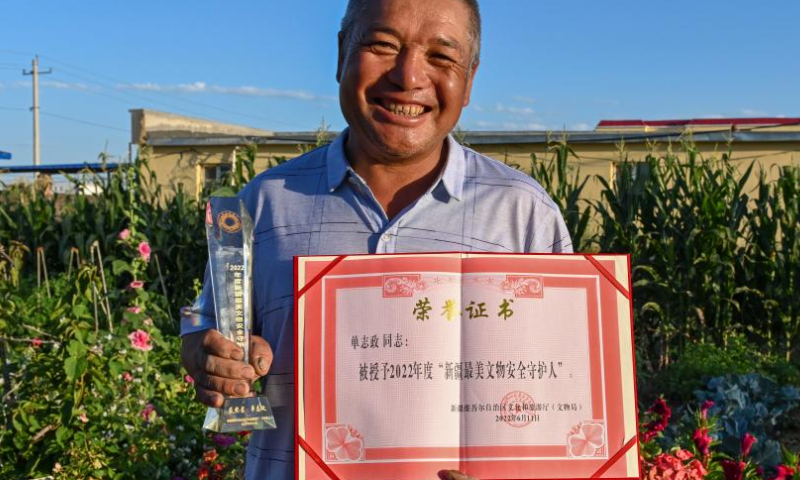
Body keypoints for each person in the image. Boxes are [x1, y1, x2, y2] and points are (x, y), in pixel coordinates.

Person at [181, 0, 573, 478]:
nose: (408, 77)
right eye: (383, 45)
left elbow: (562, 388)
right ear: (342, 52)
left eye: (441, 56)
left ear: (469, 78)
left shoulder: (523, 213)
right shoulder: (265, 203)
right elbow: (205, 329)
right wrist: (211, 356)